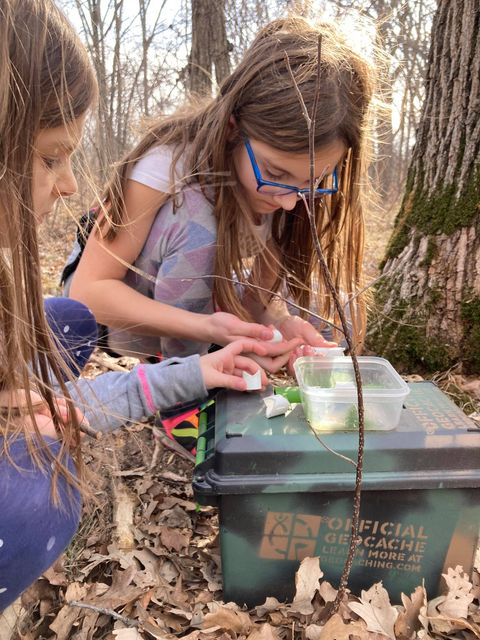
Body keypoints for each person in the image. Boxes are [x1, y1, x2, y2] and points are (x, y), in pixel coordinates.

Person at [0, 0, 271, 612]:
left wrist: (200, 370)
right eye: (50, 158)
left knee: (62, 327)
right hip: (130, 320)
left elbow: (63, 410)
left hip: (127, 347)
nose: (69, 185)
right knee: (31, 504)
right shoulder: (170, 176)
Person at [63, 15, 378, 369]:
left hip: (200, 310)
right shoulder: (167, 163)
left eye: (314, 181)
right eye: (275, 172)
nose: (289, 200)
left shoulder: (294, 190)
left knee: (332, 314)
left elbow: (258, 300)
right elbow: (88, 292)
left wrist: (277, 324)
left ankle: (208, 367)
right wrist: (208, 331)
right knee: (197, 218)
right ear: (232, 130)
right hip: (112, 317)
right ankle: (186, 394)